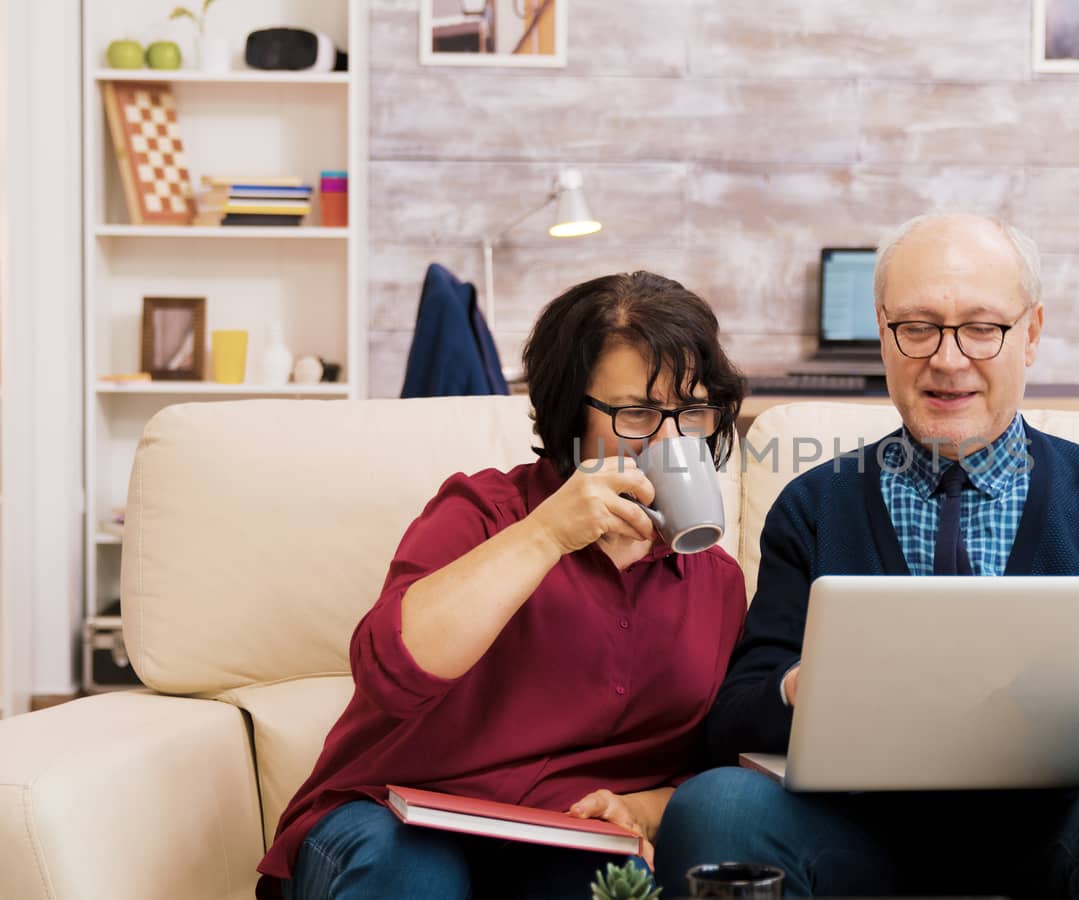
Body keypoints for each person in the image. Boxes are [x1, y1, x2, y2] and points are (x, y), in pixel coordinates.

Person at [653, 214, 1079, 899]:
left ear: (1033, 333)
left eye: (982, 327)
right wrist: (797, 692)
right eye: (919, 326)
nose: (949, 359)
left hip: (1057, 834)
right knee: (717, 806)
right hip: (854, 838)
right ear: (883, 332)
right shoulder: (814, 506)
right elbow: (731, 724)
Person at [257, 271, 750, 900]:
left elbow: (713, 764)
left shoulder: (715, 581)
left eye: (692, 413)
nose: (670, 439)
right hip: (393, 821)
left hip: (559, 840)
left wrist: (642, 809)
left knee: (613, 887)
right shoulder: (485, 512)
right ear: (572, 410)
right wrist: (547, 535)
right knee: (414, 871)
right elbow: (391, 672)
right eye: (638, 413)